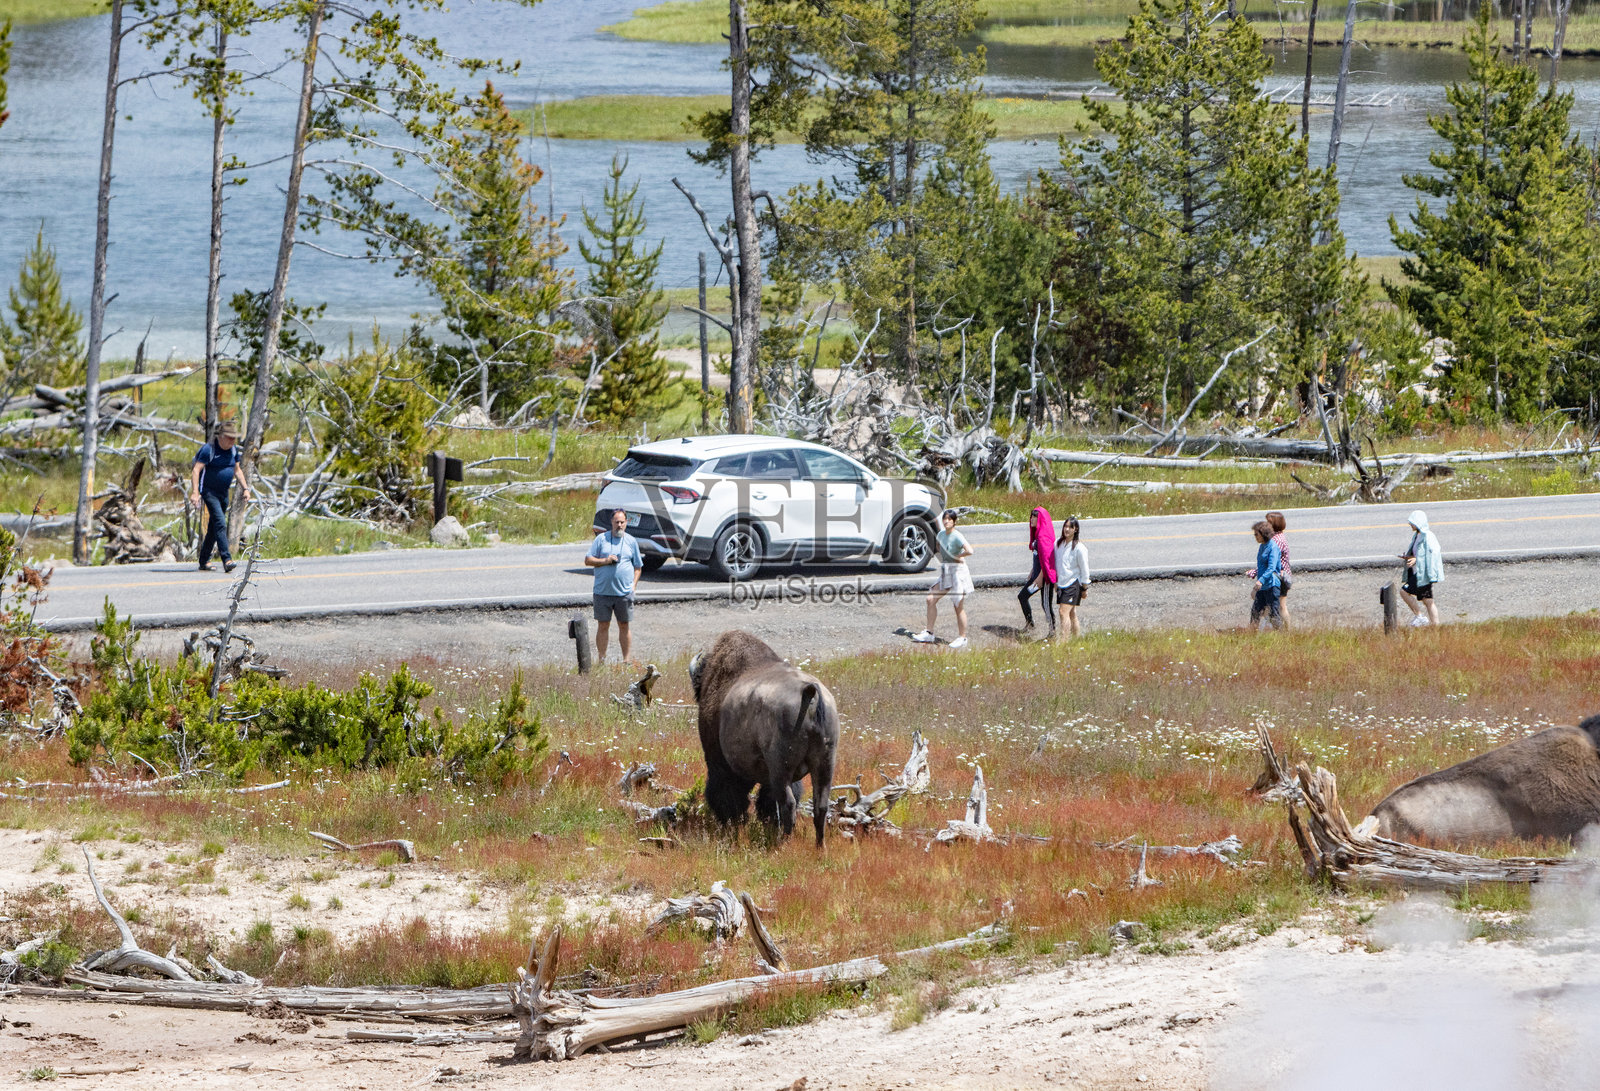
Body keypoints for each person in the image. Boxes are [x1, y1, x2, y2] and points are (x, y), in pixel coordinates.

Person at [189, 421, 251, 573]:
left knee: (214, 527)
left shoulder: (233, 450)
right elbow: (196, 470)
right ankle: (227, 559)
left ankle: (204, 560)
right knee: (221, 523)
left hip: (223, 493)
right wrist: (195, 492)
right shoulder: (209, 450)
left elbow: (237, 470)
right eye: (230, 437)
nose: (232, 441)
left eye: (234, 438)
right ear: (221, 436)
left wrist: (245, 488)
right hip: (209, 492)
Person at [586, 508, 644, 663]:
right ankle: (602, 659)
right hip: (602, 592)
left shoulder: (631, 541)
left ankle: (626, 660)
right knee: (603, 625)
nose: (619, 525)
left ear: (626, 523)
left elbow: (638, 567)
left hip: (624, 593)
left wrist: (633, 585)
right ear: (611, 522)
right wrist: (605, 560)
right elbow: (588, 560)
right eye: (616, 522)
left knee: (624, 625)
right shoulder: (601, 540)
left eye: (622, 522)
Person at [914, 509, 974, 648]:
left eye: (949, 519)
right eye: (945, 519)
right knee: (930, 599)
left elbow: (970, 551)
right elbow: (937, 546)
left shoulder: (957, 536)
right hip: (947, 570)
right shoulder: (941, 534)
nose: (946, 521)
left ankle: (962, 638)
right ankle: (929, 633)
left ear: (954, 522)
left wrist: (957, 556)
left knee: (958, 606)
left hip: (958, 572)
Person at [1399, 509, 1443, 627]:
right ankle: (1436, 626)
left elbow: (1433, 553)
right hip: (1419, 573)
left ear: (1418, 523)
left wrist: (1417, 559)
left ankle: (1420, 617)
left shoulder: (1428, 536)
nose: (1410, 524)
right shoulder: (1417, 536)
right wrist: (1409, 557)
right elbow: (1418, 553)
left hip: (1424, 574)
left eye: (1412, 522)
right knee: (1428, 601)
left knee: (1404, 591)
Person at [1018, 506, 1057, 636]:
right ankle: (1030, 624)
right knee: (1022, 597)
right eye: (1032, 516)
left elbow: (1047, 561)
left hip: (1044, 578)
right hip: (1036, 575)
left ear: (1041, 519)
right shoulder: (1038, 535)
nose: (1032, 519)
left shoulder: (1043, 537)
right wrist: (1033, 571)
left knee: (1046, 605)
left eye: (1035, 516)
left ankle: (1052, 631)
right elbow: (1039, 557)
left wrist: (1040, 577)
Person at [1054, 516, 1090, 638]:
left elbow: (1084, 569)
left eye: (1070, 527)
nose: (1067, 529)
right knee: (1072, 613)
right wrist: (1055, 581)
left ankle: (1064, 641)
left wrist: (1084, 588)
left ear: (1076, 529)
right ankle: (1077, 638)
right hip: (1061, 583)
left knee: (1062, 612)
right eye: (1065, 526)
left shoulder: (1080, 548)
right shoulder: (1058, 544)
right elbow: (1056, 563)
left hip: (1073, 584)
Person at [1249, 520, 1283, 631]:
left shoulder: (1273, 547)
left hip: (1272, 585)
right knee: (1255, 612)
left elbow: (1272, 568)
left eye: (1256, 534)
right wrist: (1256, 580)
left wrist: (1261, 580)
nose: (1255, 536)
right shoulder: (1262, 546)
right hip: (1262, 586)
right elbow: (1262, 567)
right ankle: (1252, 633)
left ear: (1263, 534)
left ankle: (1281, 635)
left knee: (1274, 613)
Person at [1265, 510, 1291, 630]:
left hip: (1280, 576)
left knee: (1280, 606)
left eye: (1268, 523)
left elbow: (1273, 560)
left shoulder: (1277, 541)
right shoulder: (1277, 537)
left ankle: (1285, 629)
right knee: (1279, 605)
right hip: (1282, 575)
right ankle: (1282, 628)